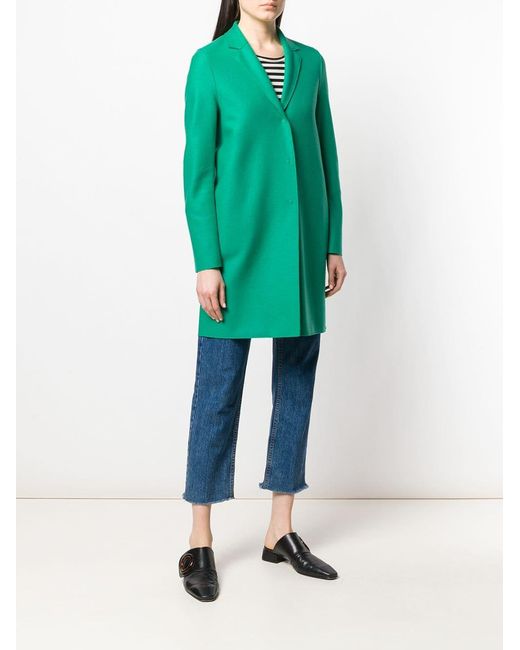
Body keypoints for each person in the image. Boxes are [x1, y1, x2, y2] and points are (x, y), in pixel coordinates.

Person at [178, 0, 347, 602]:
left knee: (295, 386)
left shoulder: (310, 62)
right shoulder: (210, 63)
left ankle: (280, 529)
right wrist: (207, 260)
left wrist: (332, 242)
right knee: (217, 393)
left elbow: (326, 156)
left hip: (299, 249)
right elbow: (198, 171)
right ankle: (199, 539)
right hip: (237, 252)